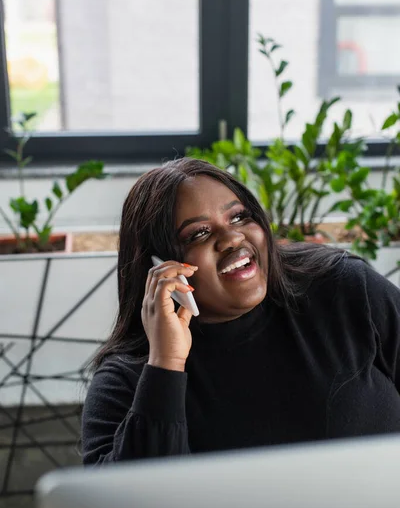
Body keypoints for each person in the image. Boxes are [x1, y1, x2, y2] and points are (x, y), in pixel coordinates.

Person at [82, 158, 400, 465]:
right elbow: (131, 506)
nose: (233, 238)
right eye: (199, 234)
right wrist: (166, 365)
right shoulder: (126, 379)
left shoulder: (340, 288)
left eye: (238, 217)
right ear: (161, 269)